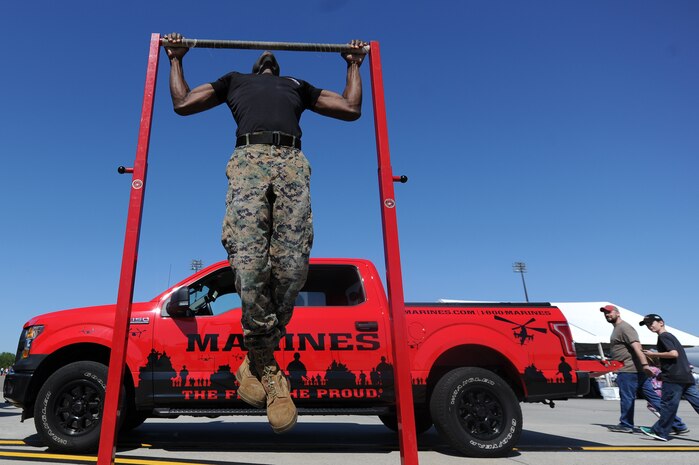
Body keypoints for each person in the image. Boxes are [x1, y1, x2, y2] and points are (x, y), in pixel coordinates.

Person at [163, 32, 367, 433]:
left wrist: (353, 64)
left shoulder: (297, 87)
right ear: (256, 67)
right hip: (248, 161)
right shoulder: (234, 79)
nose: (268, 58)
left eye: (272, 59)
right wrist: (175, 58)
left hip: (292, 162)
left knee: (292, 267)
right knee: (249, 264)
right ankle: (269, 369)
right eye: (263, 59)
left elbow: (350, 107)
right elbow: (183, 104)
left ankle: (255, 359)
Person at [600, 305, 686, 433]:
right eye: (605, 313)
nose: (607, 315)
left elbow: (637, 347)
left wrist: (645, 365)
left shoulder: (625, 328)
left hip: (629, 370)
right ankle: (677, 424)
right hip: (636, 370)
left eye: (609, 312)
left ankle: (626, 424)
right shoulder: (618, 328)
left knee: (627, 398)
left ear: (618, 313)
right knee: (653, 399)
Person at [639, 314, 699, 441]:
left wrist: (654, 354)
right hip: (686, 376)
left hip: (673, 378)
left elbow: (673, 354)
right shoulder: (671, 336)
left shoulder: (663, 336)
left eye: (652, 323)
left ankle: (660, 432)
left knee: (668, 406)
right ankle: (660, 430)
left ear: (661, 322)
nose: (650, 326)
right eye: (647, 325)